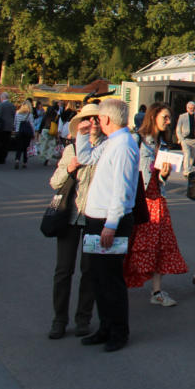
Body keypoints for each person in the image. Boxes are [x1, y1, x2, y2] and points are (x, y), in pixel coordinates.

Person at [75, 99, 140, 353]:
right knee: (98, 277)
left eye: (99, 119)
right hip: (98, 218)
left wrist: (111, 224)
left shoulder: (123, 145)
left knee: (111, 279)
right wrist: (82, 136)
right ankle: (105, 326)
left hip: (109, 220)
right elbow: (86, 158)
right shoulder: (113, 142)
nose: (96, 123)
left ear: (107, 120)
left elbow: (122, 190)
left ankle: (118, 331)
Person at [47, 104, 105, 339]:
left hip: (94, 217)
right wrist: (70, 168)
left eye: (96, 118)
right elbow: (55, 183)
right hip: (69, 216)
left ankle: (84, 318)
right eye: (87, 119)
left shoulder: (106, 149)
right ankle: (59, 319)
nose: (92, 123)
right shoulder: (71, 149)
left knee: (89, 270)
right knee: (63, 270)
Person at [126, 103, 188, 306]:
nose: (168, 122)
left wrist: (164, 174)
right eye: (165, 117)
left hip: (157, 198)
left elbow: (161, 178)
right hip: (139, 198)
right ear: (153, 117)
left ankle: (157, 291)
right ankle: (120, 283)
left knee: (160, 244)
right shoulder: (137, 140)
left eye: (169, 118)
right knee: (131, 242)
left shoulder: (163, 144)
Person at [175, 101, 195, 177]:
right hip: (185, 140)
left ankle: (189, 170)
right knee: (187, 154)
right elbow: (178, 129)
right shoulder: (182, 116)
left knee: (192, 157)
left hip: (194, 140)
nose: (191, 109)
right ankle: (186, 170)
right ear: (187, 108)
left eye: (193, 108)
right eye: (190, 108)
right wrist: (181, 139)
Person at [13, 101, 35, 169]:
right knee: (25, 148)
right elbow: (32, 124)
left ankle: (17, 160)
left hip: (19, 132)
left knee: (19, 148)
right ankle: (24, 162)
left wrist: (16, 130)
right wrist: (33, 133)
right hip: (27, 133)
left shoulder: (17, 113)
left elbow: (15, 123)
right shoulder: (29, 114)